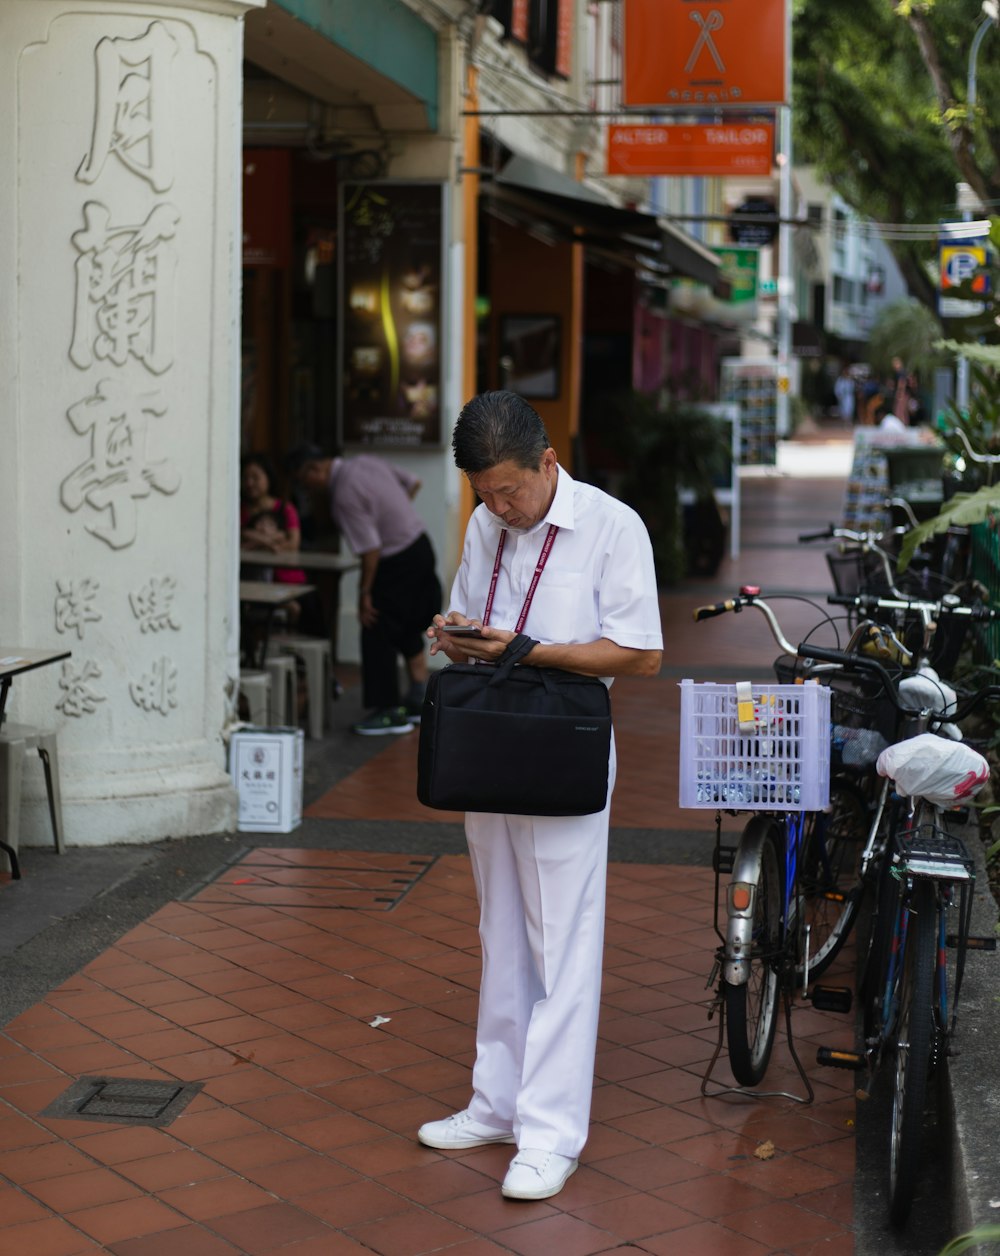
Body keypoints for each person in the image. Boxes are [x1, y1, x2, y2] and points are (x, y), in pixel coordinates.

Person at [416, 390, 663, 1201]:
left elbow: (640, 655)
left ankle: (551, 1133)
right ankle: (496, 1103)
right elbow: (479, 619)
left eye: (511, 491)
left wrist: (533, 650)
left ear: (548, 463)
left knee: (562, 938)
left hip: (563, 748)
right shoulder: (487, 523)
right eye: (484, 494)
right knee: (500, 928)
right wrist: (454, 636)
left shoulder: (611, 527)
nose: (498, 507)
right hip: (492, 739)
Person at [286, 443, 441, 736]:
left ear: (314, 470)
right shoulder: (366, 462)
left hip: (395, 560)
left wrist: (363, 593)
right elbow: (413, 481)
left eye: (304, 482)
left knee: (375, 625)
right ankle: (420, 698)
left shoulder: (343, 494)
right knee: (404, 622)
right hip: (419, 546)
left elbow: (370, 549)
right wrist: (395, 516)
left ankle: (387, 711)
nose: (308, 489)